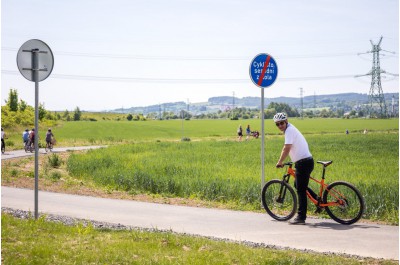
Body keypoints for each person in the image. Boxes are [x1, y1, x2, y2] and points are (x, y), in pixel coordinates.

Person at [274, 112, 317, 225]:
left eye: (282, 123)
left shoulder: (289, 131)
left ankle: (301, 217)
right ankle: (317, 200)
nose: (280, 126)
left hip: (303, 163)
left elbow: (286, 148)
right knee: (298, 185)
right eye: (277, 124)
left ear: (286, 121)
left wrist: (280, 162)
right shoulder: (290, 128)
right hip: (305, 161)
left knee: (301, 190)